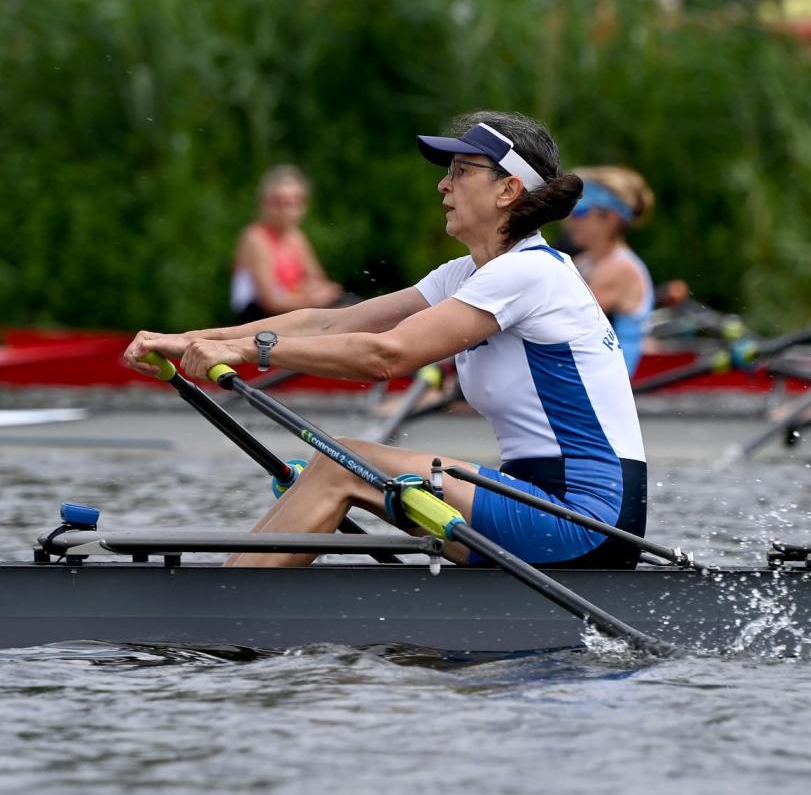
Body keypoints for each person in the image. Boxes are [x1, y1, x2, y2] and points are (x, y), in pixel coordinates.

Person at [125, 110, 647, 569]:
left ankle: (221, 607)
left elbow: (386, 355)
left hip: (586, 516)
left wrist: (249, 350)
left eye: (460, 171)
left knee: (340, 464)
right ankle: (231, 591)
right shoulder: (467, 273)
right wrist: (187, 341)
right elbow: (333, 323)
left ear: (508, 190)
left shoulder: (529, 272)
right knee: (335, 466)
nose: (443, 186)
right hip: (537, 500)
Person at [565, 166, 656, 377]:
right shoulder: (584, 262)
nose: (570, 219)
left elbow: (562, 322)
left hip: (611, 384)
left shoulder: (619, 268)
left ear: (611, 218)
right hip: (588, 377)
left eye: (580, 210)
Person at [230, 165, 348, 323]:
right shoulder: (255, 238)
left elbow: (319, 282)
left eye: (292, 202)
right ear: (264, 204)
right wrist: (309, 298)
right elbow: (271, 302)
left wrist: (312, 294)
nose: (285, 210)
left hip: (287, 310)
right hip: (258, 317)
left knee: (350, 305)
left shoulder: (296, 237)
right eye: (278, 202)